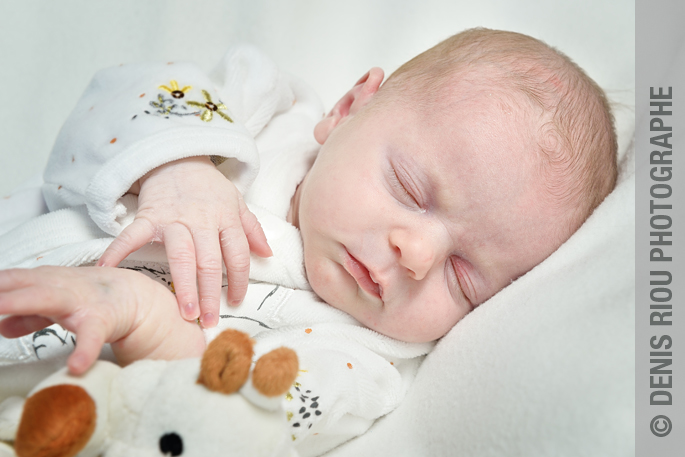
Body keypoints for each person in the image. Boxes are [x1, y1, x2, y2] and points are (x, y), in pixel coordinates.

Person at [0, 28, 616, 453]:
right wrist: (179, 171)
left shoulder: (361, 367)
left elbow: (235, 427)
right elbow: (121, 96)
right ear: (348, 109)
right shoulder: (251, 115)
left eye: (465, 276)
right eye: (408, 188)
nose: (418, 254)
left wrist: (151, 326)